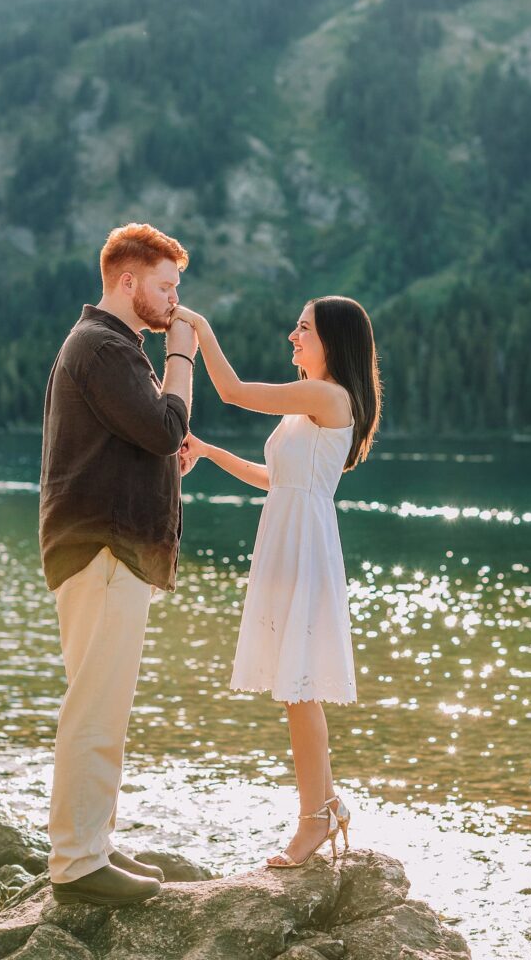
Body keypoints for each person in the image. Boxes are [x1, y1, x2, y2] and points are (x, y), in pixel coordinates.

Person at [177, 295, 381, 867]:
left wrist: (199, 326)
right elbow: (276, 478)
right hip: (291, 537)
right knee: (298, 685)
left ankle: (314, 819)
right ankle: (329, 804)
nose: (292, 336)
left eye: (304, 328)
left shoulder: (328, 395)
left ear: (332, 341)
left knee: (299, 687)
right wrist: (211, 452)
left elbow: (233, 391)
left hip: (306, 549)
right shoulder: (309, 406)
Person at [39, 222, 198, 905]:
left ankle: (91, 842)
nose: (174, 304)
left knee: (103, 704)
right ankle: (77, 862)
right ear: (126, 281)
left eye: (177, 292)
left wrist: (169, 446)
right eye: (165, 288)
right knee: (96, 711)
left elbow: (149, 438)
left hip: (104, 551)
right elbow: (163, 426)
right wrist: (183, 356)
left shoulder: (107, 348)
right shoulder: (105, 347)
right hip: (104, 550)